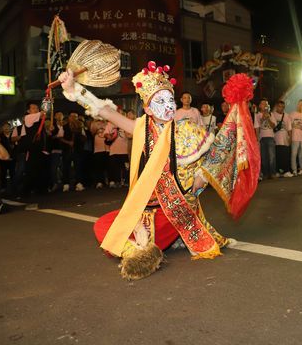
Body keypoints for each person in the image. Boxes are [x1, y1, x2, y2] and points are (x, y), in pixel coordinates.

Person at [59, 63, 259, 280]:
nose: (168, 106)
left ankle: (150, 246)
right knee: (103, 226)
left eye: (170, 100)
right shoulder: (143, 128)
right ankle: (144, 249)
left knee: (123, 240)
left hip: (175, 210)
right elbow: (106, 111)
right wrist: (73, 89)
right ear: (147, 109)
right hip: (147, 208)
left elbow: (219, 150)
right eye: (160, 101)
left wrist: (202, 175)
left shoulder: (188, 130)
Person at [254, 98, 277, 180]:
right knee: (264, 157)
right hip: (262, 138)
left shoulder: (271, 114)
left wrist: (268, 118)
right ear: (260, 105)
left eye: (266, 104)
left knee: (272, 157)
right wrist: (257, 139)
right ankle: (266, 174)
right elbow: (257, 128)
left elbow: (274, 126)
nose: (265, 105)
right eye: (263, 104)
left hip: (270, 137)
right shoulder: (257, 115)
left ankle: (273, 173)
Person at [271, 100, 293, 177]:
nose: (281, 108)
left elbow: (289, 128)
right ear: (277, 106)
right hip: (276, 139)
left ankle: (286, 171)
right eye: (280, 106)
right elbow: (272, 126)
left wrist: (290, 138)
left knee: (285, 156)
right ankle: (277, 171)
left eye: (283, 107)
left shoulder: (287, 116)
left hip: (285, 139)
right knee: (277, 156)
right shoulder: (272, 114)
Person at [289, 99, 302, 176]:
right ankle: (294, 170)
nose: (301, 106)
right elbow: (290, 125)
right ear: (297, 104)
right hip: (295, 137)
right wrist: (297, 126)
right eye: (300, 104)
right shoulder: (292, 114)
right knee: (294, 154)